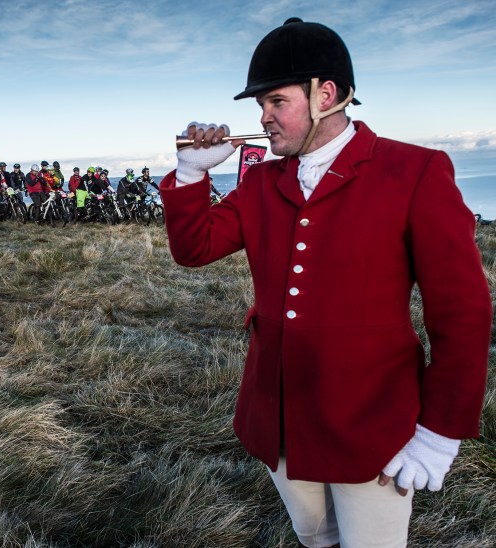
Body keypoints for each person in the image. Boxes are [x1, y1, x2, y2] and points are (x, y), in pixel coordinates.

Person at [159, 17, 491, 548]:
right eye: (260, 107)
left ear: (326, 95)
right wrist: (193, 173)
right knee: (315, 538)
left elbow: (461, 310)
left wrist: (441, 429)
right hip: (278, 414)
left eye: (275, 102)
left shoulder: (414, 171)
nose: (263, 119)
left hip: (373, 419)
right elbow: (194, 249)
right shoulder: (262, 182)